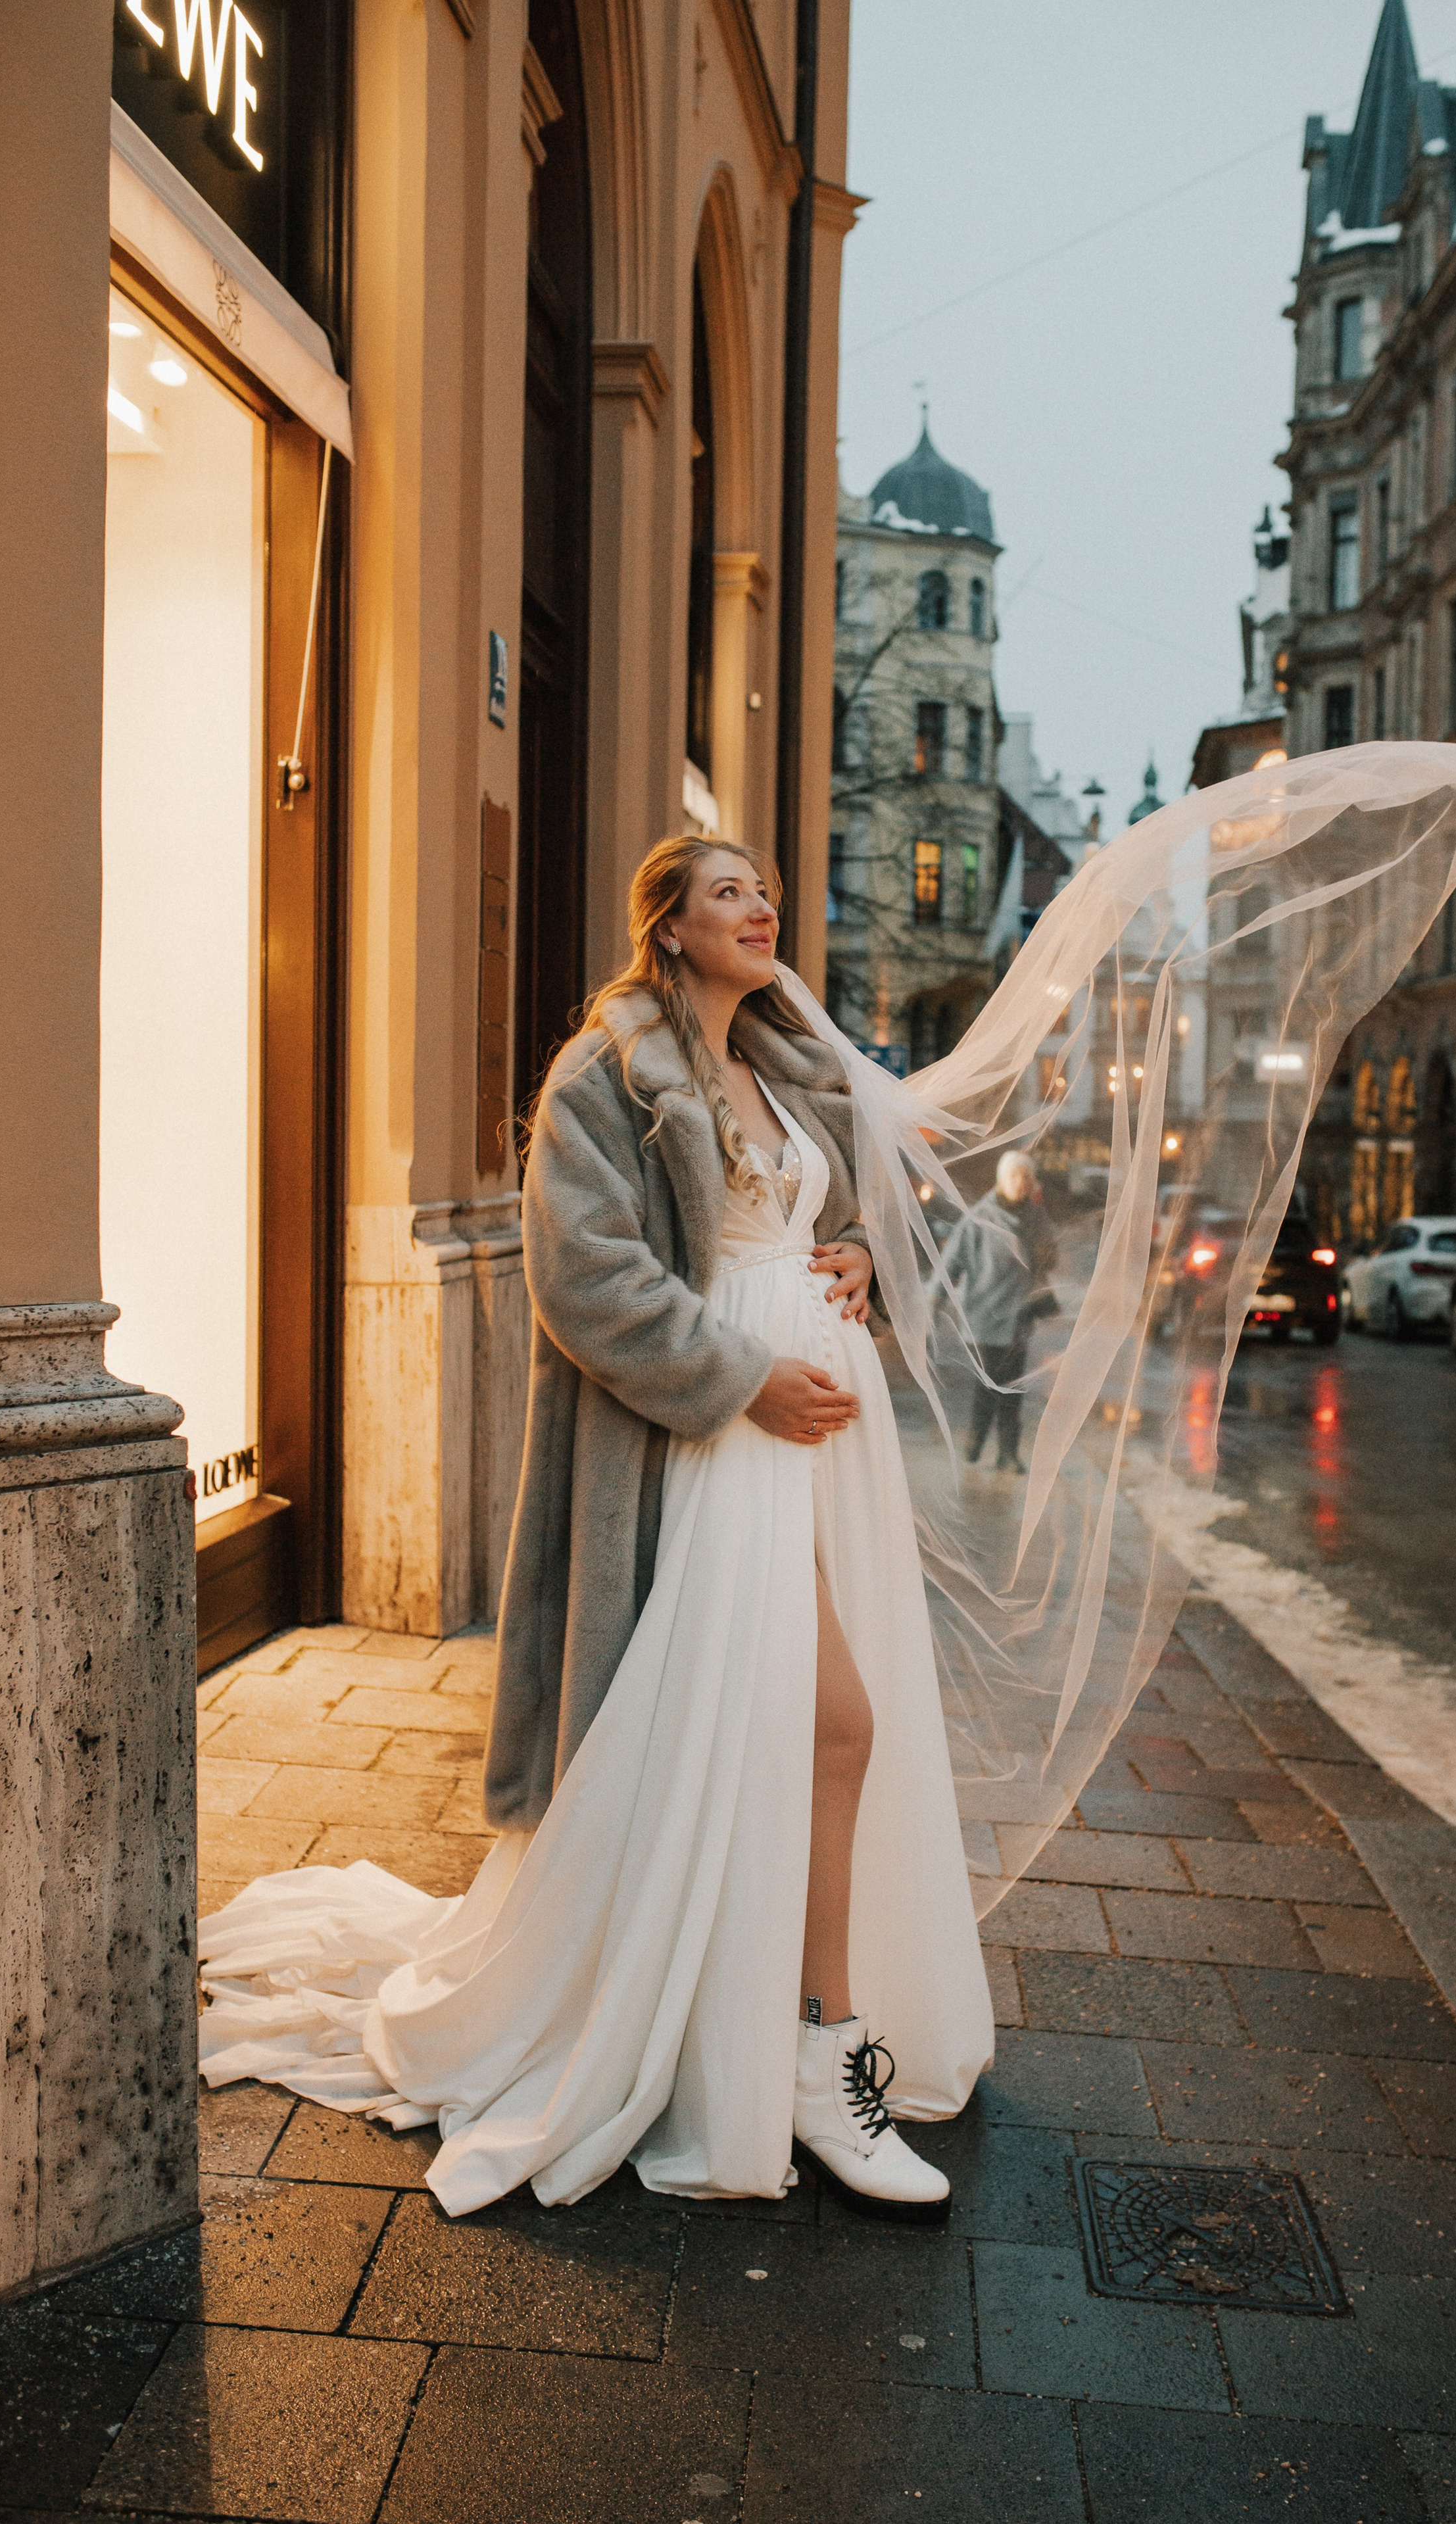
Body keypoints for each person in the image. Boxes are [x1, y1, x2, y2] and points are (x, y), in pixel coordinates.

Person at [199, 838, 992, 2221]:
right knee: (828, 1724)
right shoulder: (606, 1070)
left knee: (783, 1738)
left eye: (763, 891)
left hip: (814, 1450)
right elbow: (585, 1274)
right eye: (731, 892)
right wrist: (740, 1377)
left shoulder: (786, 1059)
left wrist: (855, 1248)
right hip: (714, 1444)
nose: (762, 908)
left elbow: (839, 1202)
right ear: (669, 927)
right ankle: (813, 2050)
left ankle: (765, 2027)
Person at [937, 1151, 1058, 1474]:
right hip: (985, 1317)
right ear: (1002, 1180)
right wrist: (933, 1303)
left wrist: (1046, 1253)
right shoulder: (978, 1218)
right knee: (988, 1386)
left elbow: (1050, 1257)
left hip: (1019, 1317)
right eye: (1016, 1177)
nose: (1022, 1184)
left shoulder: (1037, 1218)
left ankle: (1008, 1451)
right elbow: (950, 1263)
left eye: (1027, 1178)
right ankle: (975, 1441)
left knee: (1014, 1387)